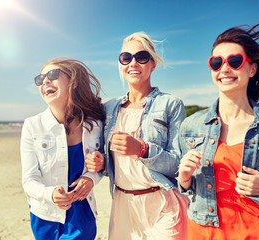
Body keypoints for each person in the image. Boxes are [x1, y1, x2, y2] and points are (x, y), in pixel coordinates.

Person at [178, 23, 259, 239]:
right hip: (205, 232)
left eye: (234, 61)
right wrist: (184, 178)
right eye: (216, 62)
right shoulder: (190, 126)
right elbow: (188, 188)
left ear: (252, 68)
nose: (224, 69)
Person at [86, 32, 189, 239]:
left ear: (153, 64)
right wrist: (98, 161)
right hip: (122, 205)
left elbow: (179, 164)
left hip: (162, 204)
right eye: (126, 58)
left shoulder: (171, 104)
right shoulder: (109, 108)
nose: (133, 63)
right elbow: (109, 161)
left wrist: (142, 149)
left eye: (141, 57)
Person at [20, 57, 104, 240]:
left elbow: (102, 166)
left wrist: (90, 178)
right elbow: (28, 180)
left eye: (52, 74)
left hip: (82, 216)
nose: (45, 81)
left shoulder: (94, 124)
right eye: (40, 79)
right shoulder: (32, 126)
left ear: (72, 82)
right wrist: (50, 194)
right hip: (44, 216)